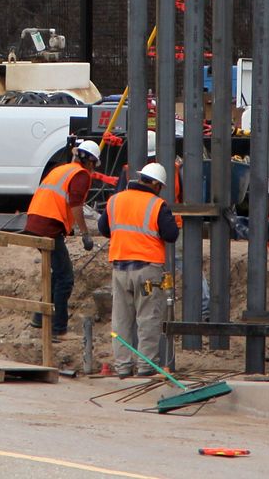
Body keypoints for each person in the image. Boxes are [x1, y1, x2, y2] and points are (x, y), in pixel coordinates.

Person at [99, 160, 179, 377]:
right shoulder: (156, 204)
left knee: (122, 320)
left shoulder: (115, 200)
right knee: (148, 318)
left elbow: (104, 228)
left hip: (120, 268)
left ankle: (123, 367)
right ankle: (145, 367)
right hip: (147, 270)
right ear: (156, 185)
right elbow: (171, 235)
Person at [24, 139, 100, 337]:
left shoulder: (62, 169)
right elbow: (75, 205)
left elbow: (57, 199)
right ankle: (57, 329)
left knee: (57, 274)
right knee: (65, 278)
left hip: (36, 222)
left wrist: (67, 227)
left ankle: (40, 318)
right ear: (90, 162)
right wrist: (85, 233)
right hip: (48, 226)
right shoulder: (80, 175)